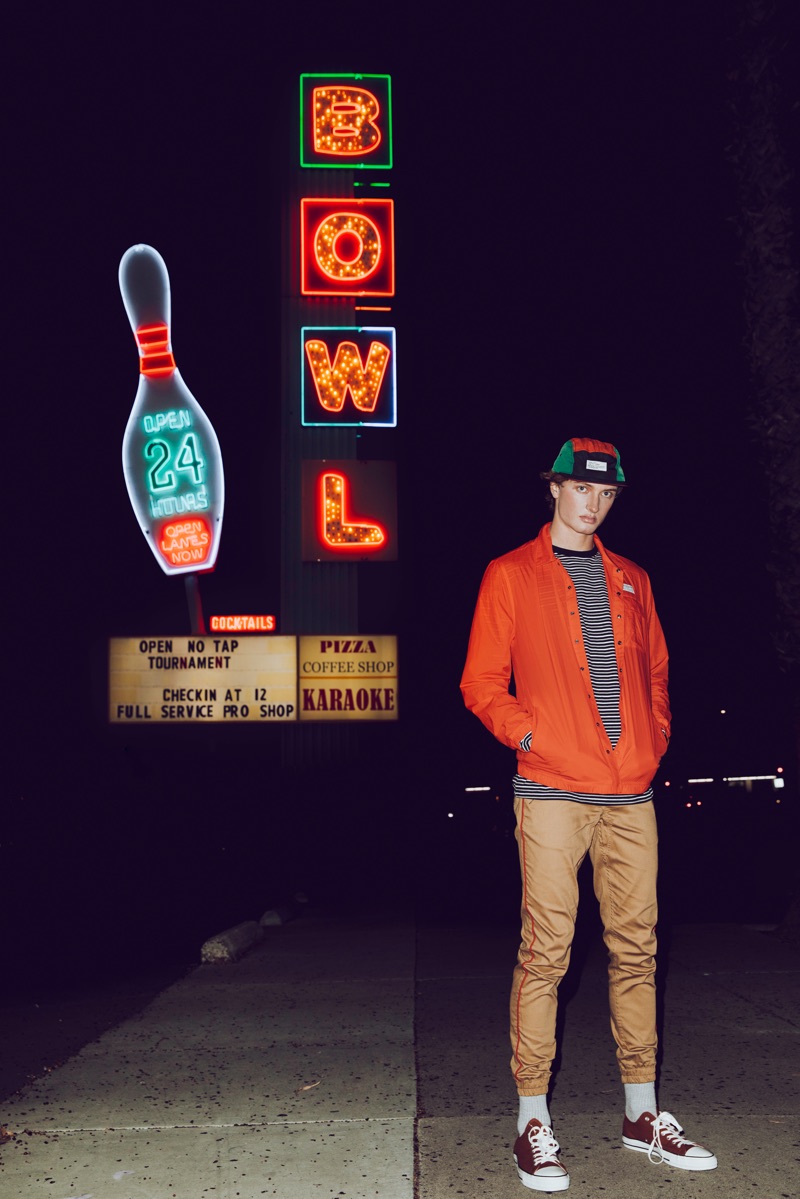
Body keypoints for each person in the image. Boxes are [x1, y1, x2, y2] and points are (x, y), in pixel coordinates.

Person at [460, 438, 717, 1192]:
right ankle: (531, 1121)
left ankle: (643, 1113)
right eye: (579, 489)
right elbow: (480, 682)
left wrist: (654, 736)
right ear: (554, 489)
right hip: (549, 792)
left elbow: (658, 672)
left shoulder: (633, 578)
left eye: (605, 495)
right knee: (548, 951)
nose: (592, 503)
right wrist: (530, 733)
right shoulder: (510, 574)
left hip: (630, 793)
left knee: (637, 949)